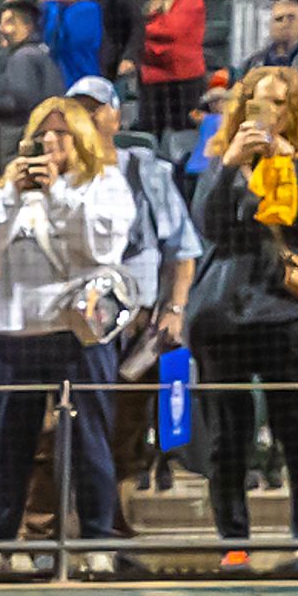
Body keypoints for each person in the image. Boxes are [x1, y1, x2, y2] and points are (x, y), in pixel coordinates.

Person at [0, 96, 135, 572]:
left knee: (90, 443)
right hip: (16, 331)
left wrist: (57, 193)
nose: (51, 141)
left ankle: (95, 543)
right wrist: (8, 197)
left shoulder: (104, 183)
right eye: (44, 132)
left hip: (77, 333)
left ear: (80, 137)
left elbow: (104, 246)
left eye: (61, 132)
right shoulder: (10, 188)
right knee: (9, 446)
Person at [189, 64, 298, 560]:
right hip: (224, 311)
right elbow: (208, 224)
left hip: (286, 309)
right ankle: (233, 543)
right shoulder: (222, 155)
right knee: (227, 437)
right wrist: (232, 163)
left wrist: (286, 164)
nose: (266, 111)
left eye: (277, 102)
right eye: (256, 100)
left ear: (294, 108)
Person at [77, 78, 198, 497]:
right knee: (75, 427)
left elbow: (181, 249)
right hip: (78, 323)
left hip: (139, 321)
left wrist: (174, 310)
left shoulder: (144, 169)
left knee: (126, 428)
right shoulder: (63, 171)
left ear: (117, 115)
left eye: (97, 108)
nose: (89, 117)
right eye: (80, 109)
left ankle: (115, 531)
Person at [0, 0, 59, 182]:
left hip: (18, 143)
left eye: (9, 22)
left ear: (28, 26)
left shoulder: (23, 57)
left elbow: (21, 102)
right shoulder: (41, 54)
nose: (2, 28)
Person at [135, 0, 208, 142]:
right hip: (152, 80)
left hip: (182, 82)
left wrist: (141, 30)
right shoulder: (156, 0)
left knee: (182, 138)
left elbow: (173, 30)